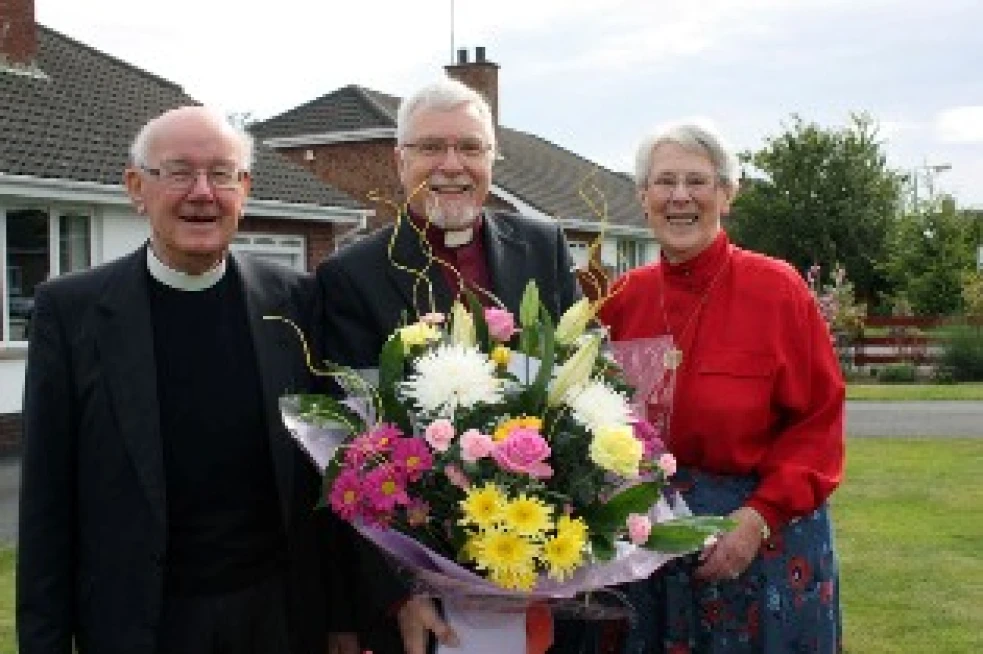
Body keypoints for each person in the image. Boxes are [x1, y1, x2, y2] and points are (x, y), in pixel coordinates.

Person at [16, 106, 342, 654]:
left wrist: (340, 619)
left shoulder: (296, 302)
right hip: (139, 625)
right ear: (135, 187)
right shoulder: (71, 312)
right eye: (178, 172)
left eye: (221, 174)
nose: (201, 192)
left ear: (245, 189)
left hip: (276, 621)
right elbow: (46, 500)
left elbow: (324, 477)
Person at [316, 77, 586, 654]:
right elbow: (347, 448)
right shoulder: (351, 276)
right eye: (430, 148)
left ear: (493, 157)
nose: (451, 165)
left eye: (470, 147)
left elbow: (575, 404)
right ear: (399, 160)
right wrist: (400, 592)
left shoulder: (545, 246)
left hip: (536, 568)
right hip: (417, 591)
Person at [597, 121, 845, 653]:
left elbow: (817, 423)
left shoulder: (777, 289)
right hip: (649, 542)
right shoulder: (623, 298)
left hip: (759, 540)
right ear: (642, 197)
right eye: (664, 182)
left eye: (698, 182)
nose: (680, 197)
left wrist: (759, 517)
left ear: (727, 195)